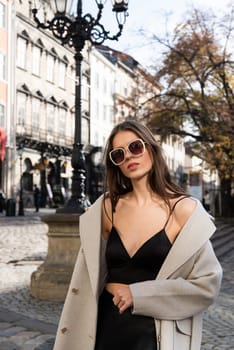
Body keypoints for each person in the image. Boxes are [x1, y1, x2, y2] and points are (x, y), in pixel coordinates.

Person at [53, 120, 222, 350]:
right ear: (116, 165)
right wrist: (110, 286)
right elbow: (90, 275)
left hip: (155, 335)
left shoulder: (183, 210)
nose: (129, 157)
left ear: (150, 148)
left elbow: (207, 284)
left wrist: (138, 294)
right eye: (119, 154)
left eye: (135, 147)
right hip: (104, 330)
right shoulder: (106, 208)